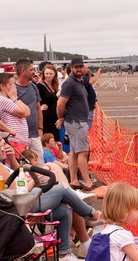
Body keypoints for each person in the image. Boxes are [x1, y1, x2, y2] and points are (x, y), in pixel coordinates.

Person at [0, 126, 103, 261]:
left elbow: (10, 186)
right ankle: (92, 215)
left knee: (62, 208)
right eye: (0, 140)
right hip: (19, 206)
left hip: (9, 205)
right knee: (61, 188)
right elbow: (19, 191)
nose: (3, 144)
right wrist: (34, 182)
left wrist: (13, 161)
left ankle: (65, 252)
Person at [56, 57, 94, 191]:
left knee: (73, 152)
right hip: (76, 123)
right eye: (76, 67)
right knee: (83, 152)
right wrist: (61, 117)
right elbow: (60, 103)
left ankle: (74, 180)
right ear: (71, 68)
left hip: (76, 122)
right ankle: (87, 182)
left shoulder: (80, 81)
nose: (79, 69)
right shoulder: (70, 83)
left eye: (80, 67)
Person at [15, 59, 44, 166]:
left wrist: (40, 128)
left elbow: (38, 108)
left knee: (40, 164)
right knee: (24, 167)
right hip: (21, 137)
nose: (34, 72)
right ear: (23, 71)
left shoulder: (33, 87)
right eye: (31, 69)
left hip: (35, 134)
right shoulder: (13, 89)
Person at [0, 72, 30, 157]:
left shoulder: (10, 100)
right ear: (2, 86)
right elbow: (23, 113)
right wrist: (14, 98)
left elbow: (28, 111)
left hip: (20, 140)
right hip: (14, 140)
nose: (14, 88)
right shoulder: (3, 100)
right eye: (11, 85)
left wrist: (14, 99)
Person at [37, 63, 59, 141]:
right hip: (46, 118)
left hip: (54, 118)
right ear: (43, 74)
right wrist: (40, 107)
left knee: (56, 140)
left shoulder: (54, 85)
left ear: (54, 74)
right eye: (46, 73)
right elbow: (36, 99)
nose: (48, 75)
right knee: (48, 140)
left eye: (50, 73)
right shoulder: (40, 85)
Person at [82, 64, 101, 129]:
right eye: (87, 68)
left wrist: (94, 102)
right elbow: (91, 81)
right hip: (86, 108)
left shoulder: (84, 78)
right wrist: (98, 74)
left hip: (89, 106)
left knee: (88, 125)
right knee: (86, 127)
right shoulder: (82, 78)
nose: (88, 70)